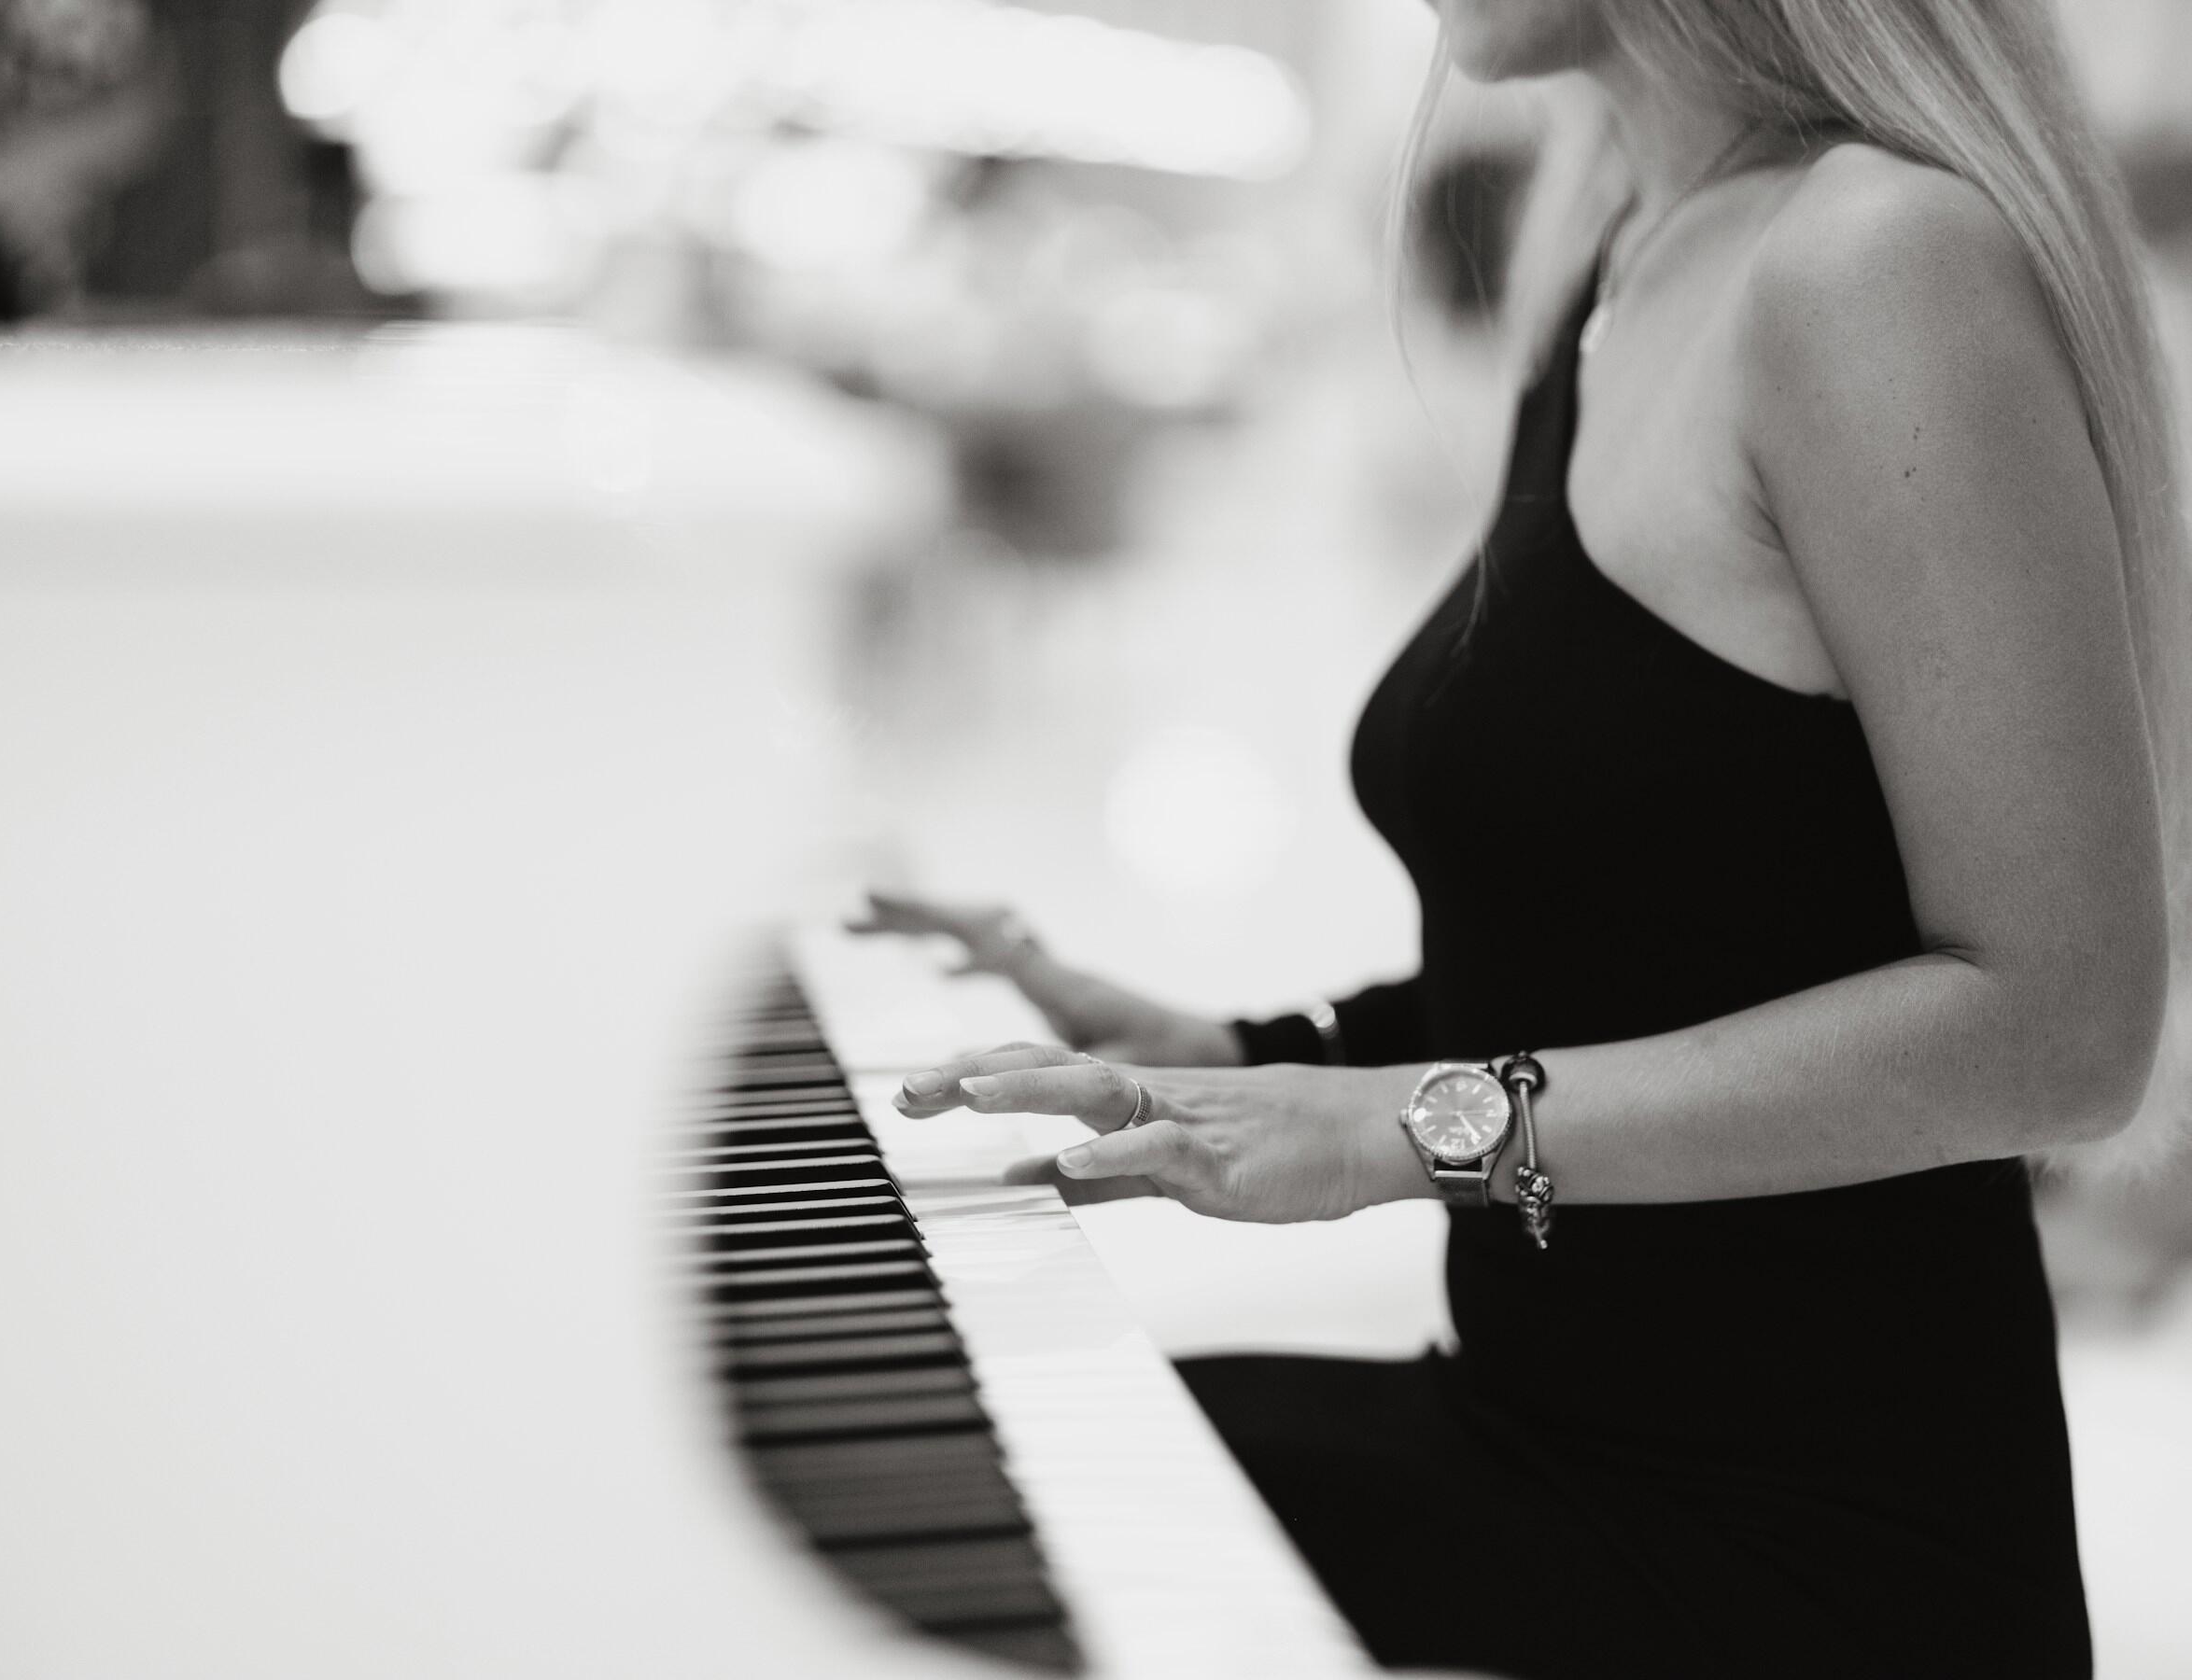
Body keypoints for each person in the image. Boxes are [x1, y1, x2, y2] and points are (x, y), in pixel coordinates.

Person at [858, 2, 2190, 1675]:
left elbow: (2061, 1030)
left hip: (1793, 1571)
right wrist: (1251, 1053)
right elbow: (1672, 924)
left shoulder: (1875, 260)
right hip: (1537, 1447)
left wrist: (1402, 1131)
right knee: (964, 1486)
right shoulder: (1626, 246)